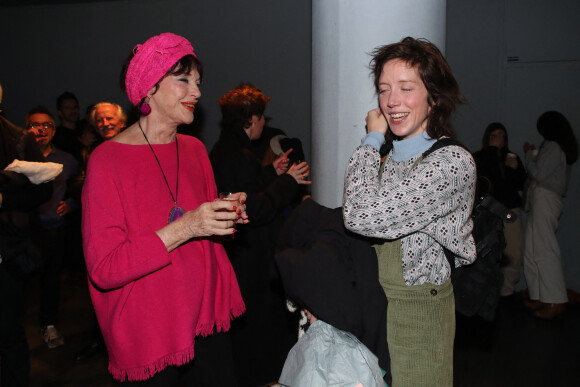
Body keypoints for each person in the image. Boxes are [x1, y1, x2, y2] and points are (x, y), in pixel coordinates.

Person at [82, 32, 247, 385]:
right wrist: (187, 226)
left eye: (198, 82)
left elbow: (206, 235)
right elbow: (105, 267)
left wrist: (225, 216)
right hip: (150, 330)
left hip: (205, 319)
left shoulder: (195, 150)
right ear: (149, 87)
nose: (198, 92)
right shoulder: (107, 160)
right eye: (184, 79)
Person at [342, 37, 477, 386]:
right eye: (384, 89)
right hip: (376, 303)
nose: (391, 102)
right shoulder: (394, 156)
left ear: (433, 96)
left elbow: (359, 216)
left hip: (418, 312)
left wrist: (372, 139)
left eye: (406, 88)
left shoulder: (451, 163)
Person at [209, 83, 310, 386]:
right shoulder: (239, 153)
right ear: (252, 118)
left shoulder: (227, 149)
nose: (264, 123)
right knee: (258, 335)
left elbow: (246, 184)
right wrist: (290, 182)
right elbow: (256, 209)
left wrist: (272, 173)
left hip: (239, 259)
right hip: (250, 264)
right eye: (262, 117)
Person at [1, 82, 53, 387]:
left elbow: (43, 188)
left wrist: (3, 200)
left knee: (8, 332)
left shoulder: (17, 138)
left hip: (6, 250)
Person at [25, 105, 79, 349]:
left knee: (51, 280)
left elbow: (82, 190)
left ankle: (49, 325)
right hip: (24, 231)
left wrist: (71, 204)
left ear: (54, 130)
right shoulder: (16, 160)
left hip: (54, 228)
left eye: (46, 125)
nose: (41, 130)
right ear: (26, 130)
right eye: (35, 125)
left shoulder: (67, 160)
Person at [522, 111, 578, 319]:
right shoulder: (557, 147)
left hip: (546, 198)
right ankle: (540, 296)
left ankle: (555, 300)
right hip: (544, 199)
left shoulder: (554, 147)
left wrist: (529, 155)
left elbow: (538, 173)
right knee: (533, 248)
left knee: (544, 249)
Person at [473, 122, 527, 299]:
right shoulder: (480, 157)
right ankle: (484, 293)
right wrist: (491, 151)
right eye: (494, 136)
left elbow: (520, 183)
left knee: (514, 252)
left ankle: (507, 292)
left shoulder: (511, 158)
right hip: (487, 212)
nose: (499, 140)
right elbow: (481, 180)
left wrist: (515, 169)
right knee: (484, 253)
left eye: (502, 136)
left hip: (510, 210)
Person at [53, 91, 83, 160]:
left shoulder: (83, 130)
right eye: (68, 108)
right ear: (60, 112)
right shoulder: (56, 136)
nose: (73, 111)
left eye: (75, 107)